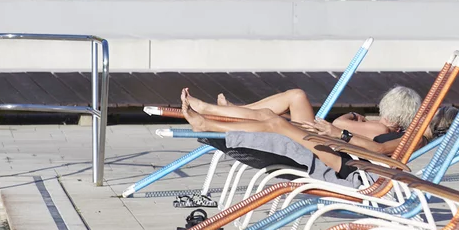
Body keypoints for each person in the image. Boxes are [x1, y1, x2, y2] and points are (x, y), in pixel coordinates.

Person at [179, 85, 426, 180]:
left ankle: (210, 119)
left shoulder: (410, 137)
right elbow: (366, 141)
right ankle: (213, 115)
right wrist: (339, 133)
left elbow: (378, 149)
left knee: (275, 120)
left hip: (345, 164)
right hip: (339, 151)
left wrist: (340, 134)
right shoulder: (400, 134)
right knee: (279, 112)